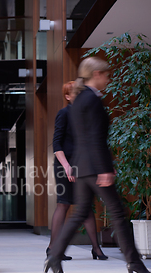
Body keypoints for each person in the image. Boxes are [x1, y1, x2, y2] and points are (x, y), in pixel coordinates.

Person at [44, 57, 151, 273]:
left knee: (79, 215)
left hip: (82, 166)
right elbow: (95, 137)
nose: (108, 78)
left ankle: (55, 256)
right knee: (117, 212)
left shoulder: (79, 100)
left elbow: (84, 137)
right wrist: (105, 168)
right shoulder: (92, 100)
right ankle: (134, 262)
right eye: (106, 74)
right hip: (94, 167)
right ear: (96, 75)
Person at [47, 81, 107, 261]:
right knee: (64, 203)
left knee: (85, 206)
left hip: (82, 165)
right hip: (64, 165)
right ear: (67, 96)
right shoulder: (64, 113)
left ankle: (96, 249)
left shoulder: (83, 114)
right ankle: (53, 249)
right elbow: (57, 144)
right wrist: (66, 166)